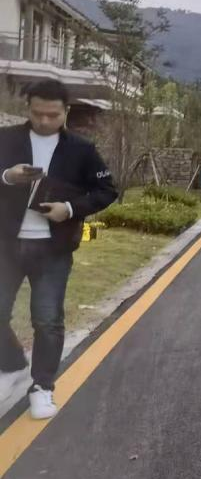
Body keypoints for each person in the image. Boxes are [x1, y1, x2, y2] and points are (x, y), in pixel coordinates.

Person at [0, 80, 117, 420]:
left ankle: (42, 386)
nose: (44, 121)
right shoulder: (6, 139)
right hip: (6, 243)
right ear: (28, 108)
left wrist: (69, 208)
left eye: (52, 115)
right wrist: (7, 176)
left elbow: (107, 190)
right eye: (38, 113)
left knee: (47, 319)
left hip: (53, 248)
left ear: (65, 112)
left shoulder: (82, 149)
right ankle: (12, 366)